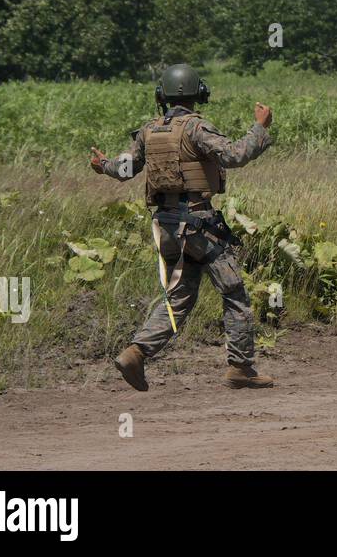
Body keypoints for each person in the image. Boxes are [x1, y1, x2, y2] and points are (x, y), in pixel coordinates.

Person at [91, 63, 274, 391]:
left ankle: (136, 353)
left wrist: (102, 164)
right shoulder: (196, 128)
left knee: (180, 297)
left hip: (166, 226)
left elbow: (123, 169)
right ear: (198, 93)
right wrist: (259, 128)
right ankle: (241, 367)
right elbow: (234, 155)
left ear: (162, 95)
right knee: (233, 291)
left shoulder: (149, 130)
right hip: (198, 225)